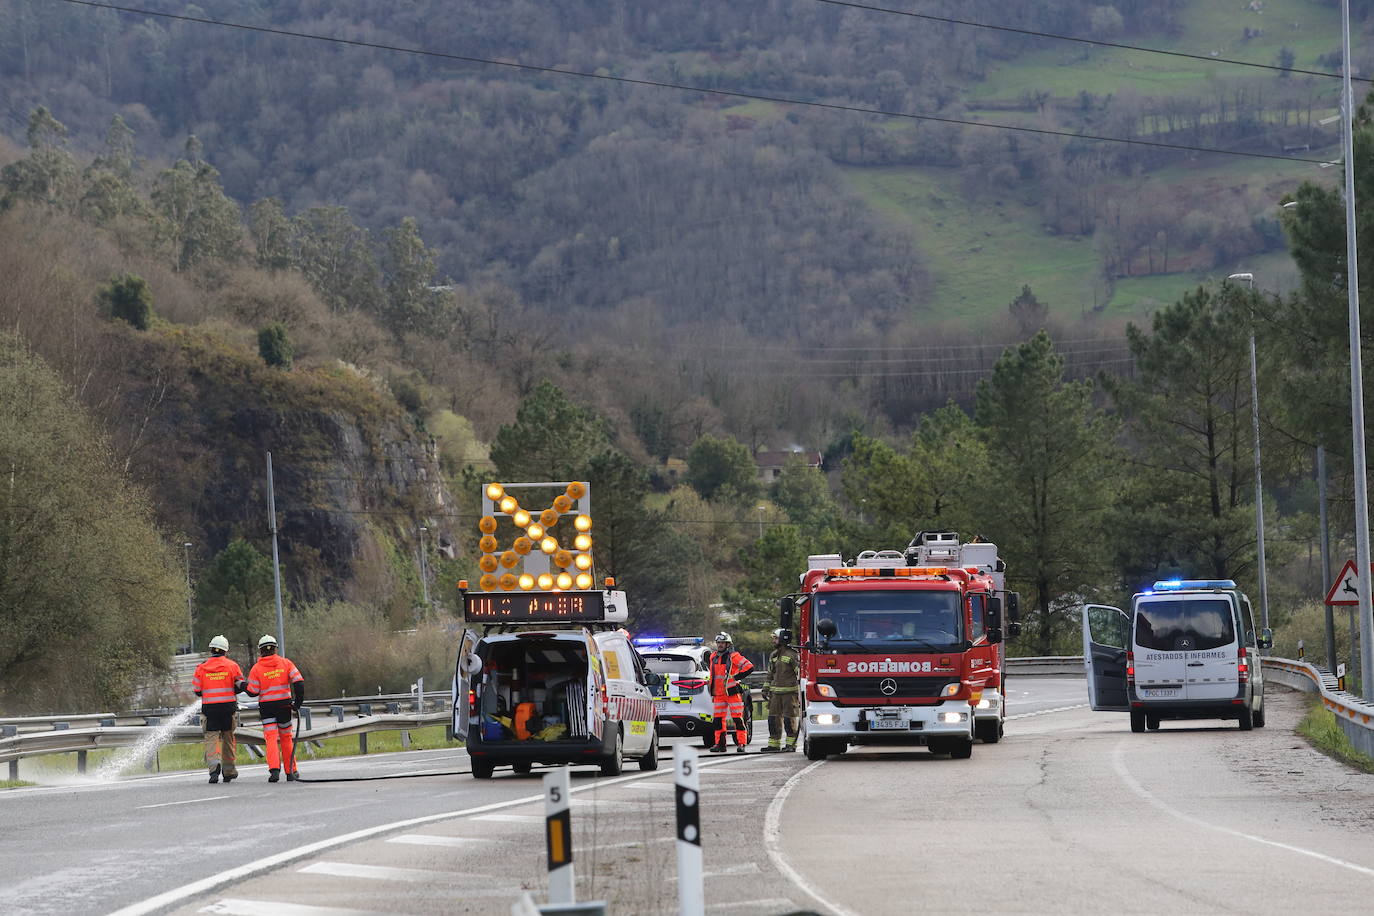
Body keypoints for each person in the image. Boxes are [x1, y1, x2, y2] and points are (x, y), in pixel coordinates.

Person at [246, 634, 305, 783]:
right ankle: (291, 771)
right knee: (286, 737)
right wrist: (297, 703)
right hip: (284, 705)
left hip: (267, 707)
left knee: (271, 738)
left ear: (260, 651)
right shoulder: (286, 663)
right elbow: (299, 682)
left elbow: (252, 692)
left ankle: (274, 771)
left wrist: (242, 686)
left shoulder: (256, 668)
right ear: (276, 649)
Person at [192, 635, 246, 783]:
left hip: (210, 709)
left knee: (211, 738)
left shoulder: (201, 668)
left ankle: (214, 769)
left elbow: (197, 690)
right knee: (228, 738)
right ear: (225, 651)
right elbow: (240, 686)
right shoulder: (232, 666)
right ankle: (228, 771)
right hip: (228, 709)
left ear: (211, 650)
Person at [707, 632, 754, 754]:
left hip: (732, 692)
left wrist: (737, 677)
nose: (720, 645)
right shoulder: (713, 657)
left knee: (737, 719)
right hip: (718, 694)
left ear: (728, 644)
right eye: (718, 643)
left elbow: (749, 667)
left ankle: (741, 743)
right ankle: (720, 744)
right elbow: (713, 675)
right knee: (717, 721)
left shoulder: (734, 656)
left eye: (722, 643)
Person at [761, 628, 800, 753]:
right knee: (773, 719)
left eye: (775, 638)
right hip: (775, 695)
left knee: (789, 720)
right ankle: (774, 744)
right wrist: (766, 689)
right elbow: (770, 674)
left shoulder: (793, 655)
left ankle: (790, 745)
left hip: (790, 694)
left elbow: (800, 674)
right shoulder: (774, 655)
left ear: (783, 639)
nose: (773, 640)